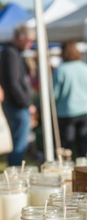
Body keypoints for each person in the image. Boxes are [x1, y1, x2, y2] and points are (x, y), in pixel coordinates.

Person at [53, 41, 87, 157]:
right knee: (84, 145)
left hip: (66, 112)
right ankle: (82, 171)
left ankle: (67, 170)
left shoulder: (60, 70)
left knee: (66, 147)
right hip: (85, 110)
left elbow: (54, 95)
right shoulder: (86, 68)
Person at [0, 25, 35, 166]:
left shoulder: (12, 53)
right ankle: (15, 174)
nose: (31, 44)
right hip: (16, 106)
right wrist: (26, 104)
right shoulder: (11, 54)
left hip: (16, 104)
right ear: (21, 38)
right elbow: (14, 84)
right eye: (30, 40)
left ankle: (15, 172)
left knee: (18, 142)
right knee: (18, 144)